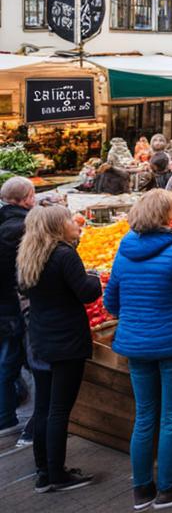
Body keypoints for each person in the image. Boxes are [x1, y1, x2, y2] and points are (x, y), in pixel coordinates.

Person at [104, 190, 172, 509]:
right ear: (166, 216)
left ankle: (141, 491)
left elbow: (110, 302)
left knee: (145, 414)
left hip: (135, 344)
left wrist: (138, 316)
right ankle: (167, 491)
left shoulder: (124, 250)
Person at [18, 204, 102, 492]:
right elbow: (86, 293)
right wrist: (97, 278)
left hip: (40, 338)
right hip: (67, 340)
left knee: (42, 407)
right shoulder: (64, 254)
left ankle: (42, 470)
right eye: (68, 218)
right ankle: (57, 473)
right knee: (59, 409)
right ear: (57, 225)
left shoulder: (29, 254)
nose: (72, 222)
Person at [0, 177, 35, 440]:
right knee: (10, 357)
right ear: (27, 198)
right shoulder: (22, 227)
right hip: (10, 301)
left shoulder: (4, 219)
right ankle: (5, 418)